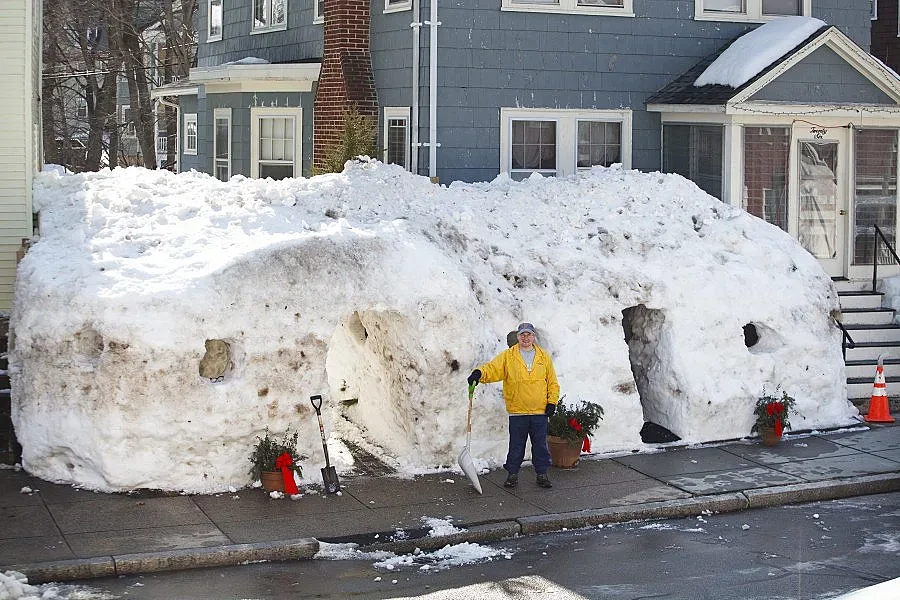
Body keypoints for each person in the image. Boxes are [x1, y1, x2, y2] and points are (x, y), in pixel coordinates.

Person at [468, 322, 560, 489]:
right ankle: (512, 474)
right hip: (518, 411)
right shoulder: (508, 356)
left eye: (529, 335)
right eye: (522, 335)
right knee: (516, 446)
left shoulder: (543, 357)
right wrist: (479, 373)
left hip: (539, 411)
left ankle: (542, 474)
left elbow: (552, 383)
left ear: (534, 337)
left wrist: (552, 402)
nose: (526, 338)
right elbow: (492, 369)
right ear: (518, 337)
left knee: (540, 445)